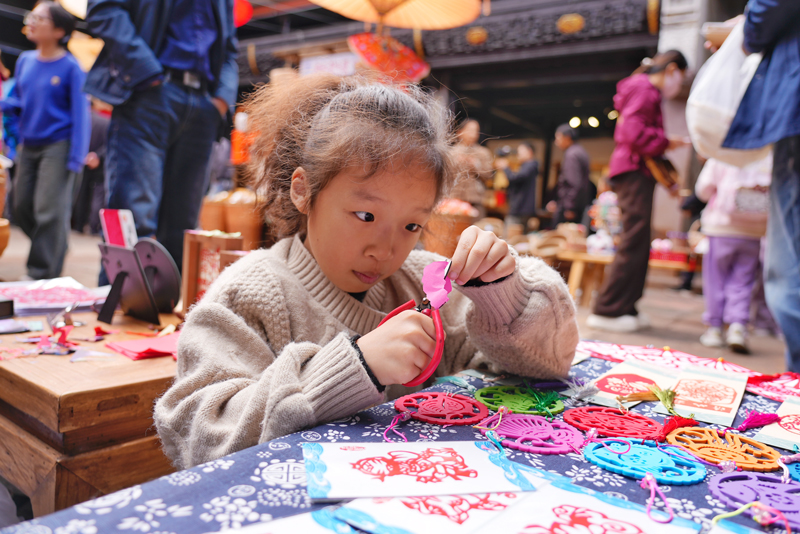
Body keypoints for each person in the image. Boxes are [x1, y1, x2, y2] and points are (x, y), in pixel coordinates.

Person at [154, 76, 579, 469]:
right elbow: (197, 437)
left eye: (412, 225)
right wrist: (356, 366)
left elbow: (545, 369)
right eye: (365, 214)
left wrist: (504, 296)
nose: (386, 249)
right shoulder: (250, 292)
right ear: (303, 190)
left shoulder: (421, 282)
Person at [84, 0, 238, 275]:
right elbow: (103, 9)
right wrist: (147, 72)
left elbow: (229, 47)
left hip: (202, 101)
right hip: (149, 93)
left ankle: (167, 311)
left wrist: (221, 100)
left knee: (183, 227)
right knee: (133, 217)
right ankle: (119, 309)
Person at [723, 0, 800, 372]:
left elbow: (770, 5)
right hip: (747, 234)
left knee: (789, 266)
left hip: (724, 230)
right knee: (746, 281)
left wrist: (748, 33)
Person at [587, 50, 688, 333]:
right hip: (634, 171)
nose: (678, 82)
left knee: (639, 241)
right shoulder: (646, 89)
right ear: (670, 69)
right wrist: (666, 141)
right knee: (634, 241)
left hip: (632, 170)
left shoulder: (640, 88)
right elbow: (632, 133)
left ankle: (626, 306)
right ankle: (609, 309)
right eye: (679, 74)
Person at [0, 2, 89, 280]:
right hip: (29, 145)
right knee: (21, 206)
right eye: (33, 16)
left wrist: (76, 158)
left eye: (40, 18)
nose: (32, 21)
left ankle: (41, 272)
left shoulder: (71, 67)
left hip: (58, 146)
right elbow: (20, 100)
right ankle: (56, 243)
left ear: (59, 30)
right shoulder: (26, 61)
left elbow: (81, 115)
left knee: (48, 210)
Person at [695, 156, 771, 354]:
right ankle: (737, 326)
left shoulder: (722, 154)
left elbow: (703, 190)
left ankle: (714, 328)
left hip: (721, 227)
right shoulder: (768, 155)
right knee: (743, 281)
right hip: (754, 230)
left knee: (715, 279)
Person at [72, 100, 110, 234]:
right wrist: (97, 156)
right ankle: (94, 227)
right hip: (99, 163)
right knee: (98, 194)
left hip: (81, 161)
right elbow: (109, 144)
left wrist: (84, 156)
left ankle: (78, 225)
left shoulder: (79, 121)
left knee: (81, 193)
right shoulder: (105, 121)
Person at [548, 124, 591, 226]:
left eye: (558, 138)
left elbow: (574, 182)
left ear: (567, 138)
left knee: (562, 237)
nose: (556, 142)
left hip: (570, 209)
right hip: (578, 205)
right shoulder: (580, 151)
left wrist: (570, 207)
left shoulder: (572, 154)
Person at [450, 119, 493, 216]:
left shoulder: (483, 153)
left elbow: (489, 175)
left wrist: (475, 165)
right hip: (454, 198)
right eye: (470, 130)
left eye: (476, 131)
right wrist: (457, 162)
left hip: (476, 199)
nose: (473, 134)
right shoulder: (451, 153)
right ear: (460, 132)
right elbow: (444, 175)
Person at [498, 142, 538, 232]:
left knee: (510, 235)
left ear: (529, 152)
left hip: (520, 208)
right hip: (522, 208)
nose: (518, 153)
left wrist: (505, 168)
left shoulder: (530, 165)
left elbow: (515, 178)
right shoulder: (528, 166)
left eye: (521, 150)